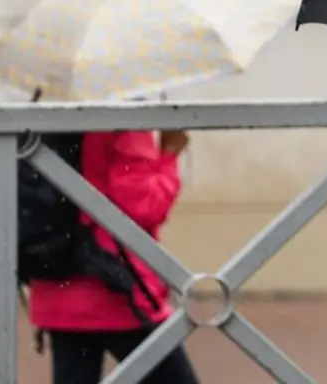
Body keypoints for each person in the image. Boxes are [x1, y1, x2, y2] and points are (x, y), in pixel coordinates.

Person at [29, 128, 199, 383]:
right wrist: (169, 154)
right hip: (116, 290)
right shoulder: (123, 121)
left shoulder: (41, 121)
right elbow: (144, 207)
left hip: (56, 286)